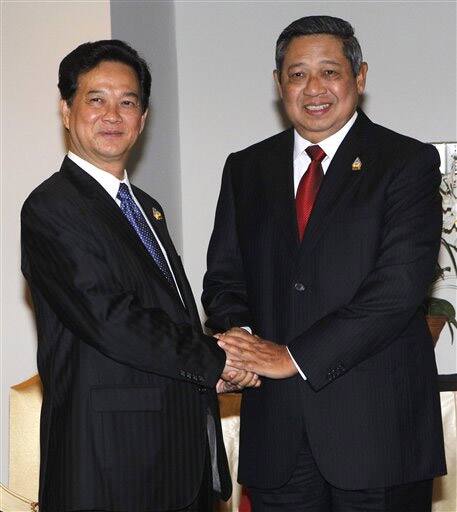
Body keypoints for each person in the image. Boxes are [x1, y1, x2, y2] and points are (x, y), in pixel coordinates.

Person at [203, 15, 446, 512]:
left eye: (330, 72)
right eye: (297, 74)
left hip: (377, 438)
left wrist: (293, 357)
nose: (313, 88)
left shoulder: (407, 163)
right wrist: (245, 340)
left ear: (359, 77)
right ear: (278, 85)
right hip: (277, 439)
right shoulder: (246, 168)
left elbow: (398, 289)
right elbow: (225, 278)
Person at [21, 39, 258, 512]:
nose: (113, 115)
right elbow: (109, 317)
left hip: (177, 459)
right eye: (97, 100)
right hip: (109, 465)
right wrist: (214, 360)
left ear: (143, 119)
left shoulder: (146, 208)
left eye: (128, 102)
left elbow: (169, 319)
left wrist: (214, 370)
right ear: (66, 110)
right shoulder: (52, 207)